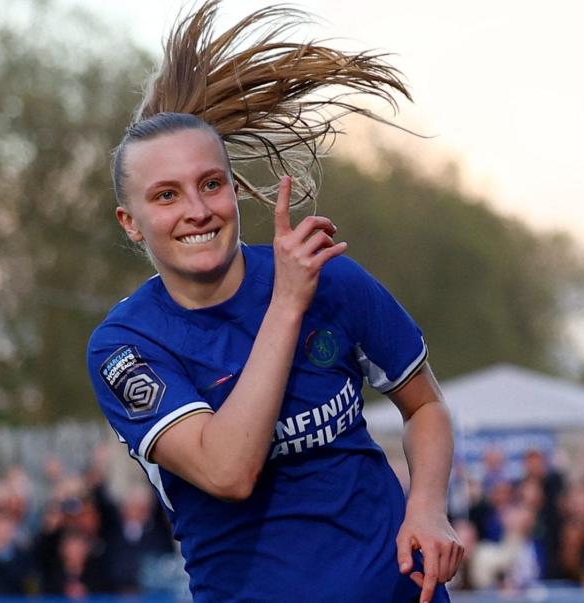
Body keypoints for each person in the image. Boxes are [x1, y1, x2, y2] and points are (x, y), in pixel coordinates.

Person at [86, 2, 463, 601]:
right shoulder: (127, 346)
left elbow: (426, 407)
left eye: (210, 184)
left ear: (234, 189)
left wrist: (427, 507)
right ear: (131, 224)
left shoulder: (329, 278)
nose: (196, 210)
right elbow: (229, 471)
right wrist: (286, 304)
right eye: (166, 195)